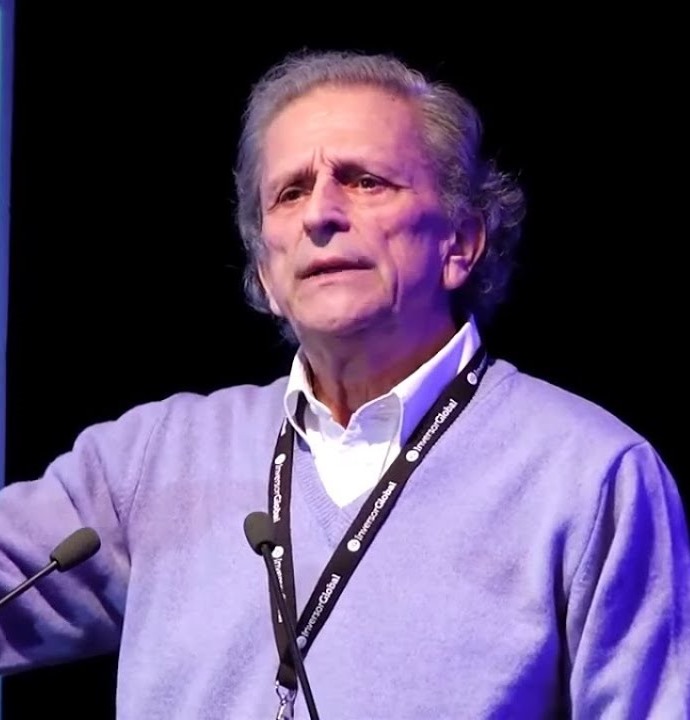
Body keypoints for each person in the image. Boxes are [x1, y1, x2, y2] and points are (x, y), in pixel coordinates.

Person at [1, 49, 689, 719]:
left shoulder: (589, 474)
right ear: (267, 274)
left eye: (365, 181)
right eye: (290, 192)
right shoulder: (153, 458)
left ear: (460, 241)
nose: (319, 215)